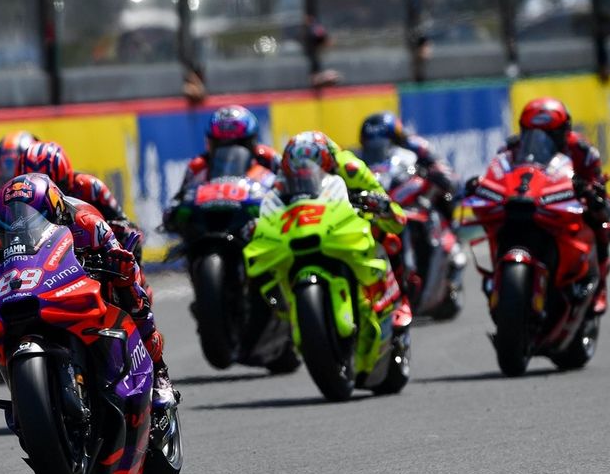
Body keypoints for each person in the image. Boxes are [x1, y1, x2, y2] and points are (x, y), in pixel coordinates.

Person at [0, 171, 178, 416]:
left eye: (30, 218)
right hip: (39, 289)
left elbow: (123, 250)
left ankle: (159, 373)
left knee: (133, 298)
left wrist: (118, 263)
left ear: (53, 209)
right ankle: (24, 396)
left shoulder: (87, 221)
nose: (20, 225)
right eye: (12, 219)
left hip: (89, 283)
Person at [467, 97, 610, 313]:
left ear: (564, 131)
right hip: (529, 201)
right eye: (532, 133)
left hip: (565, 205)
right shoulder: (510, 149)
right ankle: (498, 275)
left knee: (602, 225)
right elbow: (497, 174)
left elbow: (601, 192)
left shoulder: (583, 151)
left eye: (550, 134)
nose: (540, 140)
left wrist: (593, 194)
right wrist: (479, 184)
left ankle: (600, 286)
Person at [276, 130, 411, 321]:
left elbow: (396, 216)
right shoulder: (283, 175)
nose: (306, 177)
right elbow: (271, 201)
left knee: (389, 238)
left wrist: (379, 205)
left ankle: (401, 302)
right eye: (298, 175)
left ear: (328, 164)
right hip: (307, 223)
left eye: (313, 170)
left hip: (346, 219)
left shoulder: (351, 168)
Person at [17, 140, 147, 265]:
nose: (49, 192)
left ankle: (138, 284)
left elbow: (129, 226)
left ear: (65, 178)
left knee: (127, 236)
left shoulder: (90, 187)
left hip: (85, 256)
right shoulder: (18, 200)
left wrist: (105, 231)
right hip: (38, 256)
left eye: (55, 185)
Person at [162, 104, 279, 230]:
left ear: (251, 141)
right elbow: (179, 200)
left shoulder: (269, 159)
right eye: (220, 144)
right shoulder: (197, 166)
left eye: (239, 144)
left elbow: (285, 194)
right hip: (207, 228)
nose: (230, 155)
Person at [359, 111, 457, 223]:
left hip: (415, 182)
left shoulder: (415, 145)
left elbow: (440, 165)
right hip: (390, 190)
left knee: (445, 185)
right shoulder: (363, 159)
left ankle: (449, 223)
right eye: (371, 146)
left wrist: (434, 171)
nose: (376, 149)